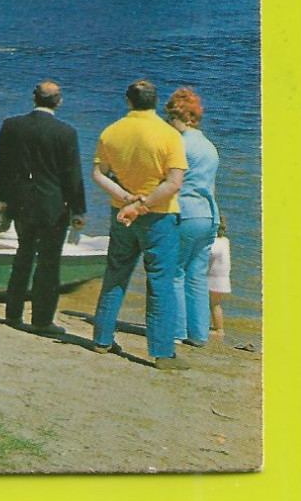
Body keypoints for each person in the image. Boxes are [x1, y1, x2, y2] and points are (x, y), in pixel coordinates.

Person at [89, 79, 189, 369]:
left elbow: (98, 173)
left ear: (128, 101)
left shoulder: (111, 131)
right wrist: (143, 204)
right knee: (160, 282)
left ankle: (102, 339)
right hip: (159, 215)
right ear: (156, 102)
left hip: (121, 212)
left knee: (116, 273)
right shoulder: (169, 135)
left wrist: (125, 198)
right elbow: (174, 183)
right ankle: (161, 352)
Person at [0, 80, 86, 335]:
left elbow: (3, 166)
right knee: (48, 264)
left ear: (34, 99)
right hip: (52, 206)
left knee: (22, 256)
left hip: (20, 202)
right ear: (59, 101)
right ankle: (42, 320)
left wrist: (2, 199)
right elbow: (72, 175)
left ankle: (13, 314)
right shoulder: (66, 132)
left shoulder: (12, 125)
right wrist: (79, 209)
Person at [166, 87, 221, 347]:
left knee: (175, 272)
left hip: (185, 212)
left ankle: (176, 331)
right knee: (197, 274)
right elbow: (212, 186)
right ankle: (198, 334)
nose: (169, 124)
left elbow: (170, 182)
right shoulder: (210, 146)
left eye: (171, 118)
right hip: (209, 215)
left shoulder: (179, 144)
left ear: (185, 117)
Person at [208, 215, 231, 338]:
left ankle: (219, 330)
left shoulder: (214, 241)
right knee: (214, 303)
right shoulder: (225, 240)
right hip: (221, 276)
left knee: (214, 304)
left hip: (216, 278)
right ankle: (217, 327)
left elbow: (211, 252)